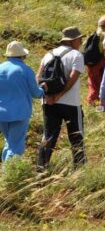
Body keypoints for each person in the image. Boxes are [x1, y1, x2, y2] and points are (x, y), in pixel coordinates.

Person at [37, 27, 86, 170]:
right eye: (80, 39)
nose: (81, 42)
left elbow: (38, 77)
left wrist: (47, 96)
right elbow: (72, 79)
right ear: (73, 40)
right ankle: (80, 168)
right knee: (76, 135)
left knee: (48, 136)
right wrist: (59, 95)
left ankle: (41, 167)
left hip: (48, 102)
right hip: (71, 102)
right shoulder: (76, 55)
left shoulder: (48, 54)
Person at [0, 41, 45, 162]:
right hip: (19, 113)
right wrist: (43, 90)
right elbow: (36, 93)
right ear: (22, 55)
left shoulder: (0, 68)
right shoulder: (25, 70)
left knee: (9, 142)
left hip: (2, 113)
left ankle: (5, 170)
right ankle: (9, 174)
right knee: (16, 146)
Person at [84, 13, 105, 106]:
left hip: (90, 64)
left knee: (92, 83)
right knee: (101, 84)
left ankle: (91, 102)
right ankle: (99, 103)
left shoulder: (94, 33)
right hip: (100, 64)